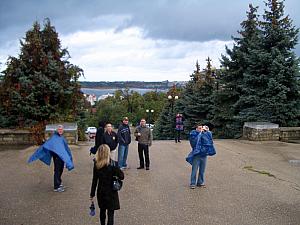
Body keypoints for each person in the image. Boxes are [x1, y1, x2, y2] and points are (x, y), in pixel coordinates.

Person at [28, 125, 74, 192]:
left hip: (61, 157)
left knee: (61, 170)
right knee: (57, 171)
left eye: (61, 129)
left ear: (63, 130)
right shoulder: (54, 138)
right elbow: (48, 145)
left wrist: (66, 156)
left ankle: (59, 182)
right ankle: (56, 186)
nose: (60, 130)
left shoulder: (61, 137)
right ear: (57, 130)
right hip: (57, 158)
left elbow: (65, 148)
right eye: (59, 129)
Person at [90, 144, 124, 225]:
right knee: (110, 214)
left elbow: (95, 180)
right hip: (111, 192)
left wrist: (92, 194)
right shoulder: (114, 164)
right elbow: (122, 176)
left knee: (102, 211)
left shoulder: (96, 164)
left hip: (101, 192)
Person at [186, 125, 216, 189]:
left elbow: (210, 141)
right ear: (196, 128)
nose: (201, 129)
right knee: (194, 170)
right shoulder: (193, 134)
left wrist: (208, 131)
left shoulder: (204, 134)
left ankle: (200, 182)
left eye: (201, 128)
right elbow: (194, 143)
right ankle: (192, 183)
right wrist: (200, 133)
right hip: (197, 155)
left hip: (204, 155)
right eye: (199, 128)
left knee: (202, 170)